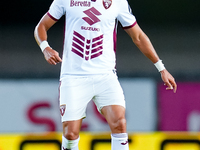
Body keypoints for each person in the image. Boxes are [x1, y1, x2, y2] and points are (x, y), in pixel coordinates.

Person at [34, 0, 177, 149]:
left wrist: (161, 68)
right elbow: (41, 27)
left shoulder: (118, 2)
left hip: (105, 76)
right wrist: (45, 48)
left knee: (120, 123)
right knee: (70, 133)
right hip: (73, 77)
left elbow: (138, 36)